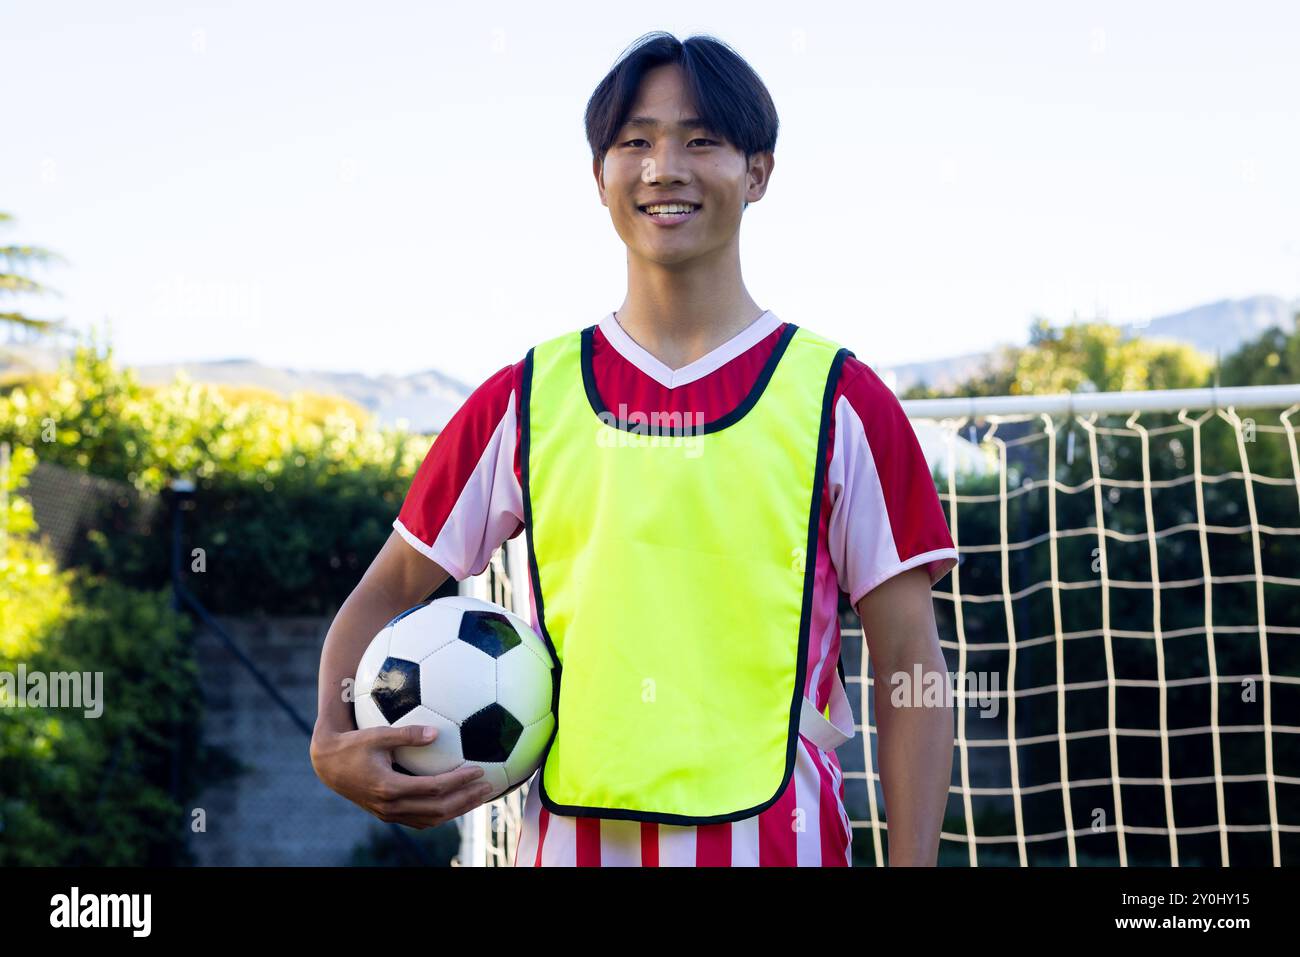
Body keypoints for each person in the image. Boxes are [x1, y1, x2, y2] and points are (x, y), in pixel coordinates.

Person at [311, 30, 959, 867]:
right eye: (636, 142)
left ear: (757, 171)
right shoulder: (525, 397)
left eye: (701, 140)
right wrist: (332, 735)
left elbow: (911, 666)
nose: (664, 167)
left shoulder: (844, 403)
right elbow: (386, 590)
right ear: (600, 175)